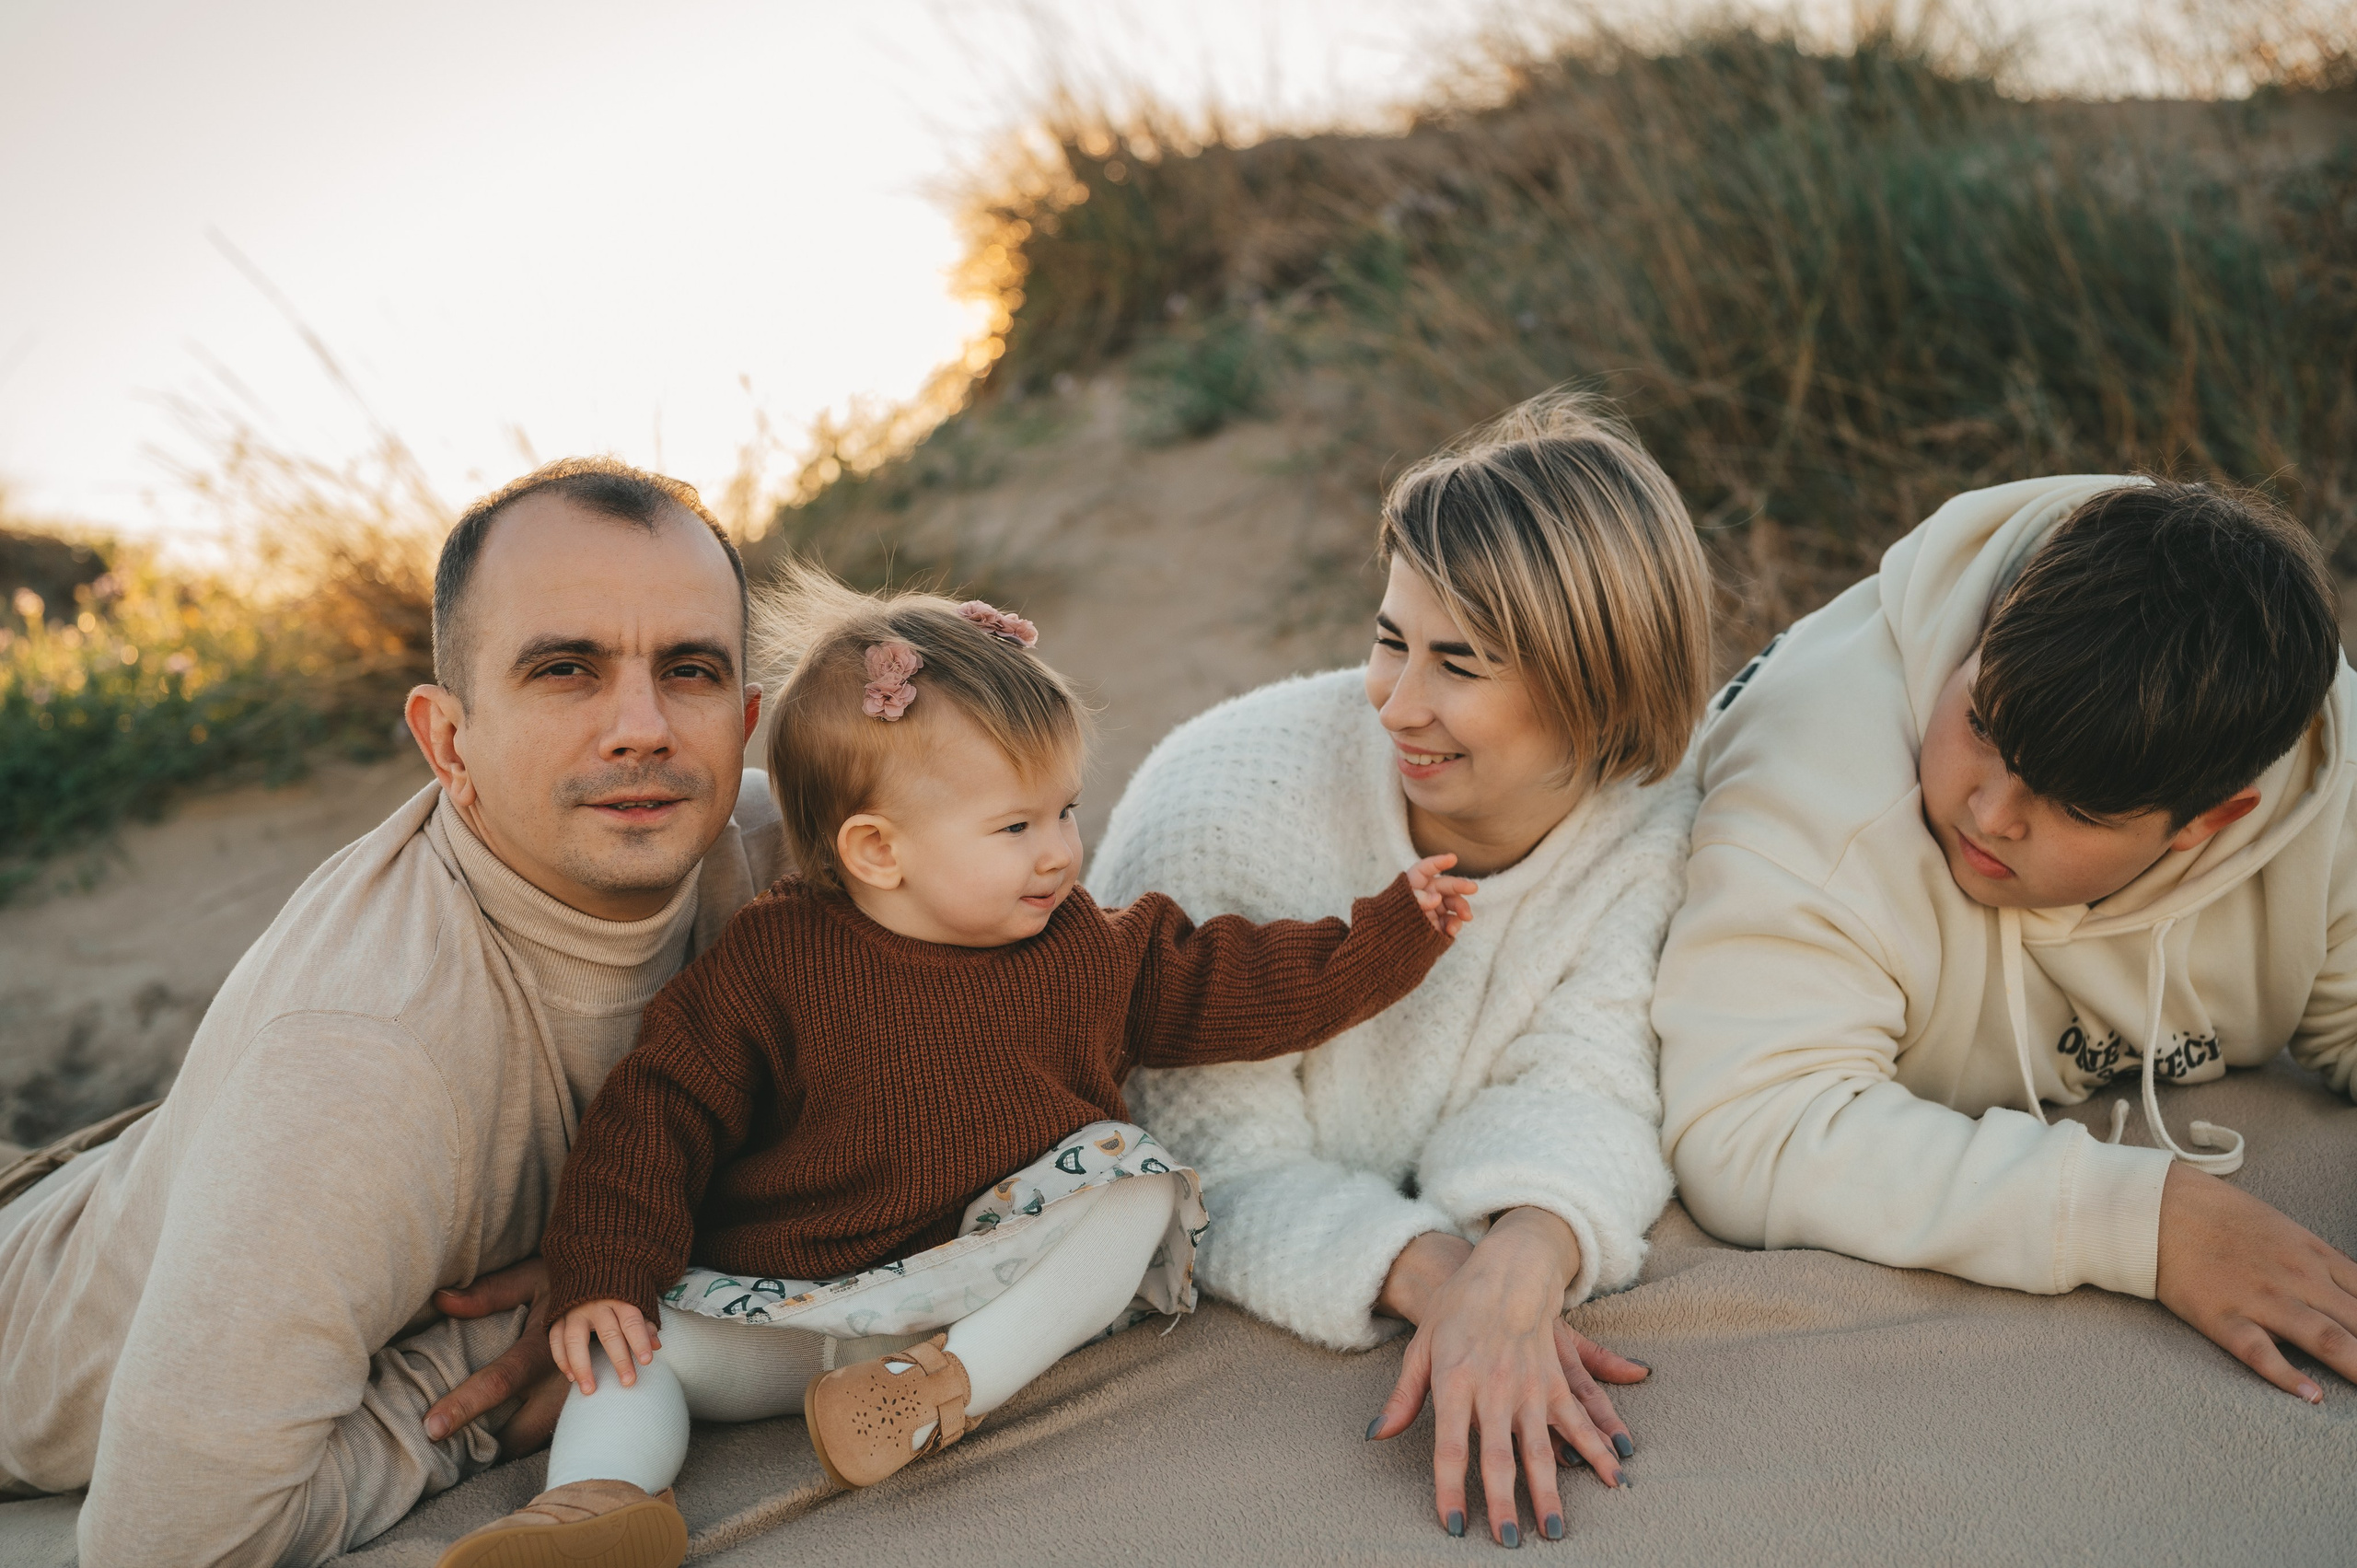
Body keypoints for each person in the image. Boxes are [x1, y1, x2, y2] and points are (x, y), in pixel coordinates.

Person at [436, 567, 1477, 1568]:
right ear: (879, 851)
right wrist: (603, 1271)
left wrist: (1387, 934)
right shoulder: (774, 962)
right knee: (631, 1345)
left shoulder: (1086, 945)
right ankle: (598, 1500)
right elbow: (655, 1113)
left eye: (1065, 808)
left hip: (978, 1293)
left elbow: (1232, 980)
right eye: (1016, 826)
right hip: (782, 1306)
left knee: (1136, 1184)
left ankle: (942, 1394)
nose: (1061, 852)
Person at [0, 458, 787, 1565]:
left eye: (691, 669)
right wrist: (474, 1377)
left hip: (142, 1172)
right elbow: (167, 1542)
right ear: (448, 741)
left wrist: (624, 1248)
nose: (642, 726)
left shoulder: (780, 865)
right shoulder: (362, 1062)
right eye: (567, 667)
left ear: (746, 719)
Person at [1089, 390, 1713, 1549]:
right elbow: (1197, 1157)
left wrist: (1526, 1255)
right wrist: (1446, 1285)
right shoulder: (1222, 797)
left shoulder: (1657, 824)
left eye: (1458, 663)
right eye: (1390, 638)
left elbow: (1594, 1078)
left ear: (1600, 681)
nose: (1397, 699)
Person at [1655, 475, 2357, 1400]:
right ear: (1988, 621)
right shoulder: (1807, 779)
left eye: (2073, 806)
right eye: (1981, 723)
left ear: (2208, 820)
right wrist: (2144, 1220)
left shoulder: (2325, 783)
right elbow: (1749, 1129)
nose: (1987, 811)